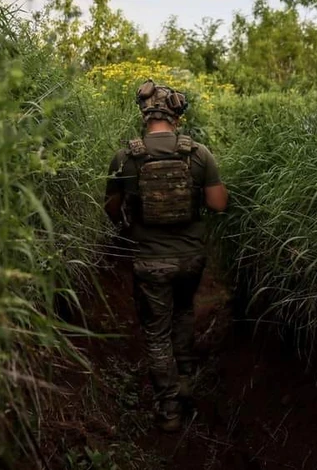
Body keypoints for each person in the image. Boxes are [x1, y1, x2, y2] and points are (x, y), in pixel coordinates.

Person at [104, 79, 228, 432]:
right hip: (190, 259)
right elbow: (218, 204)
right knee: (185, 310)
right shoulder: (198, 153)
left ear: (144, 115)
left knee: (156, 333)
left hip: (149, 261)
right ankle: (186, 378)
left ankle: (169, 407)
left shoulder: (126, 157)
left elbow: (112, 211)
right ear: (175, 115)